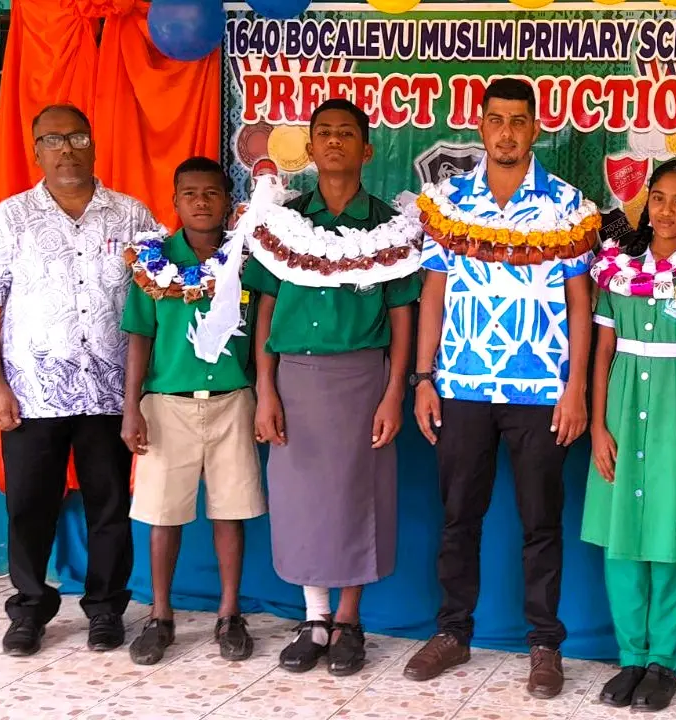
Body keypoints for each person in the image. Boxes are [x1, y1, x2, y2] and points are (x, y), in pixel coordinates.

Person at [405, 77, 595, 699]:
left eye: (518, 121)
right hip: (461, 385)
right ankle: (452, 633)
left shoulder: (568, 205)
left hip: (542, 389)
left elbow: (581, 302)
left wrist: (575, 387)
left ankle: (545, 645)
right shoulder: (449, 202)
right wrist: (424, 378)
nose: (507, 133)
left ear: (535, 128)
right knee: (459, 517)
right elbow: (433, 292)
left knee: (542, 522)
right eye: (496, 120)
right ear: (481, 125)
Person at [0, 104, 159, 656]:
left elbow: (158, 297)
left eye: (76, 137)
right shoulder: (10, 218)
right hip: (31, 393)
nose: (66, 149)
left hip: (111, 392)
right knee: (29, 507)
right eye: (52, 139)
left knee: (109, 506)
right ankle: (28, 609)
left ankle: (106, 609)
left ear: (93, 143)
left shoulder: (133, 217)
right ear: (36, 151)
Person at [242, 98, 421, 677]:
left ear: (367, 150)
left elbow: (402, 316)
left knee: (356, 496)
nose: (335, 141)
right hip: (293, 378)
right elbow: (265, 309)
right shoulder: (283, 222)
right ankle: (314, 618)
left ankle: (348, 620)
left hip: (363, 378)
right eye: (324, 133)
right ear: (310, 148)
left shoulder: (389, 227)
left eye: (347, 133)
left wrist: (394, 392)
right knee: (301, 501)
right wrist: (266, 390)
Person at [583, 159, 676, 712]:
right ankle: (631, 657)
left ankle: (663, 660)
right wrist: (598, 426)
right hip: (622, 409)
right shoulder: (617, 269)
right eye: (658, 198)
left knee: (673, 534)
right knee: (622, 535)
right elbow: (603, 353)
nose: (667, 211)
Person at [119, 157, 265, 665]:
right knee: (163, 515)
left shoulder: (247, 259)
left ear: (227, 201)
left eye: (211, 193)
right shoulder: (152, 264)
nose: (201, 202)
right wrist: (131, 407)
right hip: (167, 405)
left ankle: (229, 614)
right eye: (190, 194)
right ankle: (160, 616)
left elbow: (261, 333)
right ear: (175, 202)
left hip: (232, 402)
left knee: (231, 510)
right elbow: (140, 336)